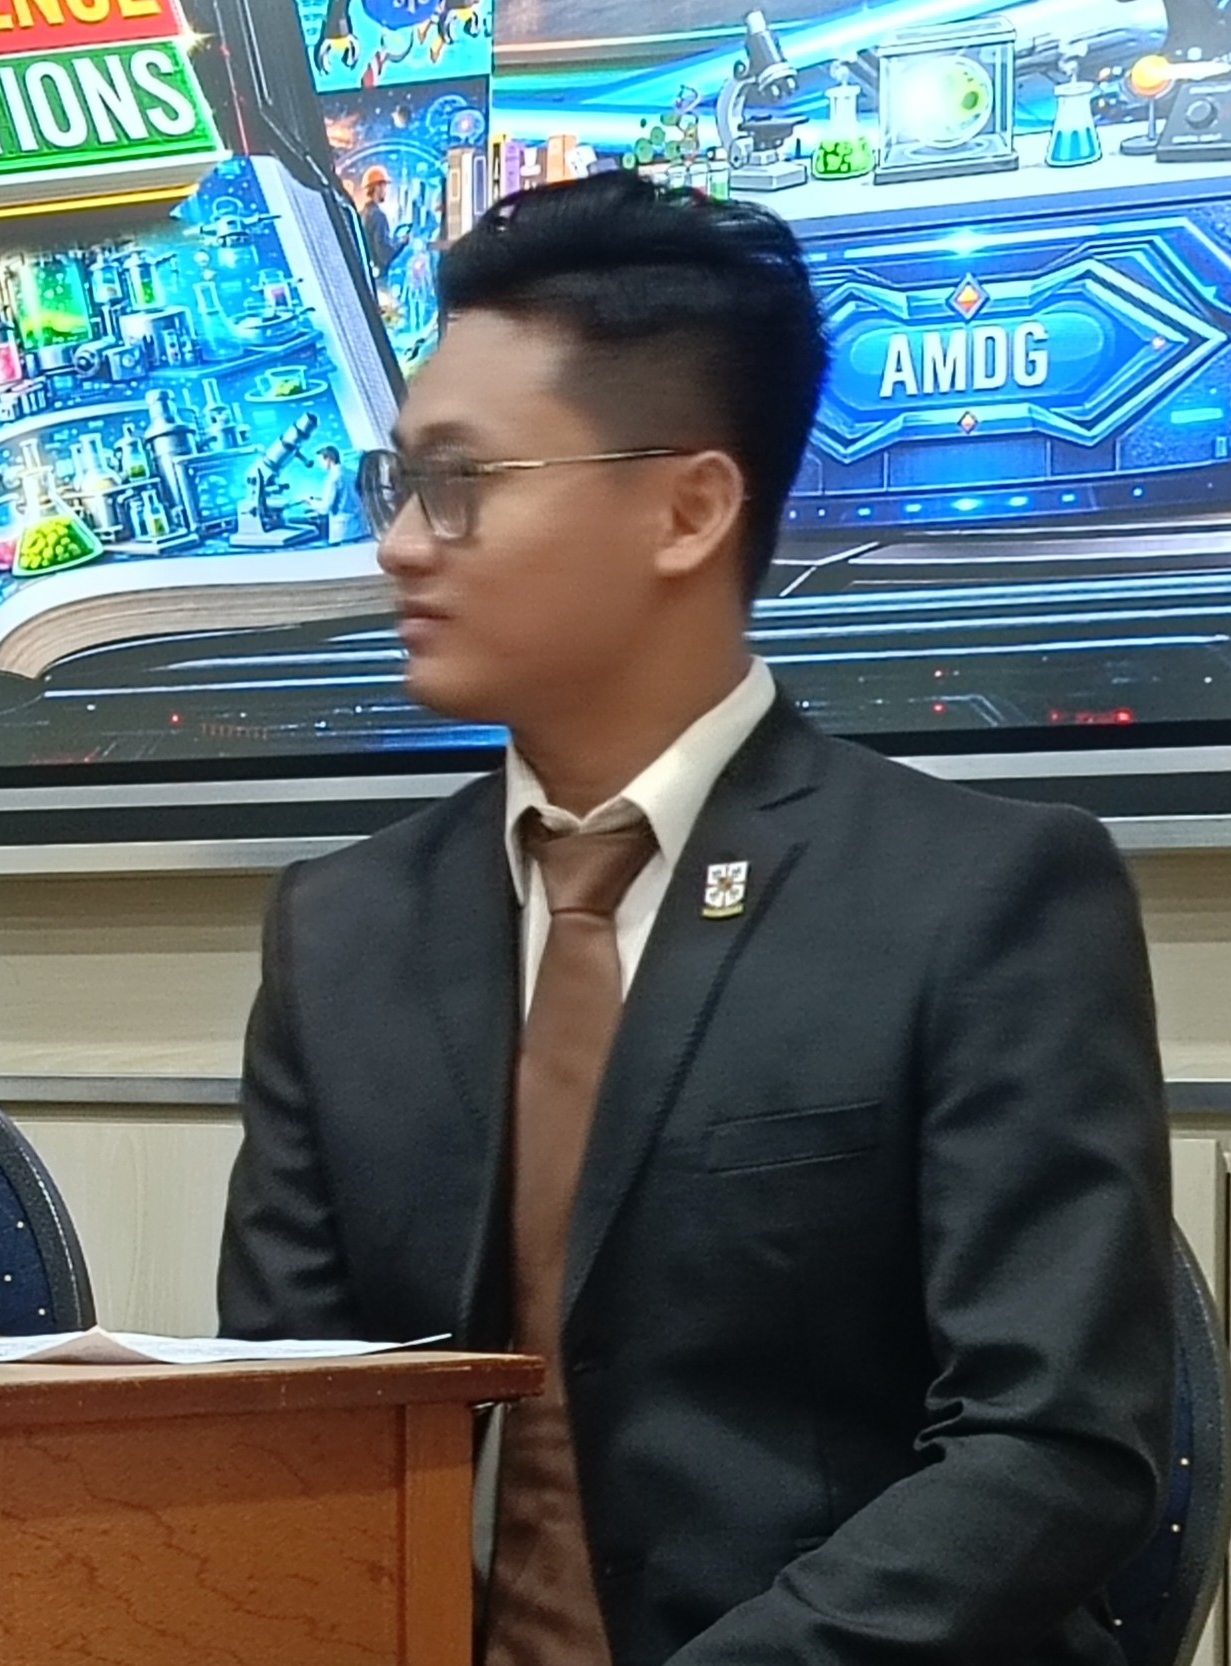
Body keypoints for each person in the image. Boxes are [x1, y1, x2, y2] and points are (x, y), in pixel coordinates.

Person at [218, 173, 1170, 1666]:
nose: (400, 542)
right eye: (392, 481)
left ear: (687, 508)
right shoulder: (343, 929)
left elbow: (1050, 1446)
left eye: (458, 482)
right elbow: (288, 1438)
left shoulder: (982, 897)